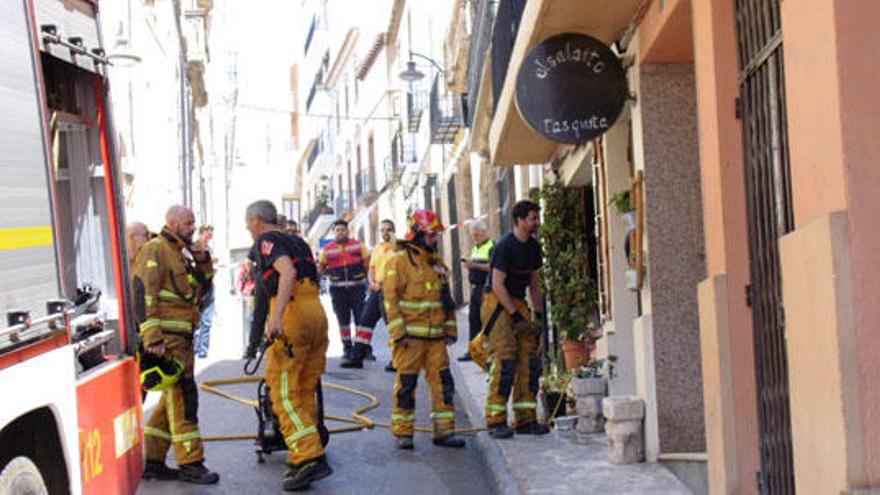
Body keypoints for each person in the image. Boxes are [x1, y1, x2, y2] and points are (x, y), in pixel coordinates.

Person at [246, 200, 333, 491]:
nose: (248, 229)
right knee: (305, 388)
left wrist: (276, 318)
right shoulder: (299, 242)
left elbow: (287, 273)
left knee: (283, 392)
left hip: (293, 314)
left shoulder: (266, 241)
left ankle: (309, 456)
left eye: (248, 223)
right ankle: (302, 454)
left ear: (256, 220)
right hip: (316, 314)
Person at [132, 205, 219, 484]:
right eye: (188, 222)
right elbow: (144, 293)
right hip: (167, 341)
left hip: (183, 340)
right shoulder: (155, 249)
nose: (193, 227)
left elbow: (202, 289)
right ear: (172, 222)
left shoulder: (182, 253)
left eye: (194, 222)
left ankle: (154, 461)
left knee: (170, 401)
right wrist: (151, 336)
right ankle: (191, 463)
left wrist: (202, 258)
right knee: (184, 398)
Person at [383, 209, 465, 450]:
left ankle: (444, 433)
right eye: (431, 235)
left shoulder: (437, 265)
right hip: (409, 340)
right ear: (417, 233)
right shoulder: (398, 262)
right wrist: (399, 334)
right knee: (406, 386)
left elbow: (446, 301)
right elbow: (390, 300)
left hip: (436, 339)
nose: (435, 239)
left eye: (436, 235)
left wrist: (450, 330)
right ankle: (403, 433)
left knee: (443, 385)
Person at [482, 200, 550, 439]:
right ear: (520, 220)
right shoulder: (505, 247)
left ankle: (525, 419)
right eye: (532, 218)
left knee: (528, 360)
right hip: (497, 303)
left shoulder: (532, 248)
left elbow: (534, 283)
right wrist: (515, 315)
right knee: (506, 359)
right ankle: (495, 420)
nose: (536, 223)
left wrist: (538, 315)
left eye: (537, 218)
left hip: (518, 302)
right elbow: (498, 285)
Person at [343, 219, 396, 369]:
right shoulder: (377, 250)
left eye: (388, 229)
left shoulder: (398, 249)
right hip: (376, 290)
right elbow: (371, 269)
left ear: (393, 230)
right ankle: (357, 357)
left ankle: (398, 360)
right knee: (365, 322)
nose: (385, 232)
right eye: (383, 230)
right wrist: (372, 283)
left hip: (391, 291)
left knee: (394, 326)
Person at [318, 219, 369, 366]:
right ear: (334, 233)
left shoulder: (359, 246)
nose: (340, 232)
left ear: (348, 231)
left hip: (357, 288)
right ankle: (347, 349)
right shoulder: (327, 250)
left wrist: (367, 280)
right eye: (337, 230)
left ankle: (362, 349)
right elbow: (321, 269)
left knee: (361, 319)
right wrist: (333, 275)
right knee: (343, 321)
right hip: (337, 291)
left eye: (343, 230)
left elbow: (366, 265)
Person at [458, 220, 494, 361]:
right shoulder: (476, 248)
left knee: (486, 321)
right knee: (473, 320)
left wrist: (473, 265)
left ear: (484, 232)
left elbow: (492, 266)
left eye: (477, 235)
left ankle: (487, 351)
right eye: (473, 235)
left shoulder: (491, 246)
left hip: (486, 289)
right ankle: (473, 352)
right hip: (475, 289)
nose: (475, 238)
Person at [193, 225, 215, 358]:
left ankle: (203, 350)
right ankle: (195, 347)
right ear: (201, 233)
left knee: (207, 321)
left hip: (209, 288)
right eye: (208, 235)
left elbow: (211, 269)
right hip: (197, 289)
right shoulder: (192, 248)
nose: (210, 238)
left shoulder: (210, 249)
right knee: (197, 320)